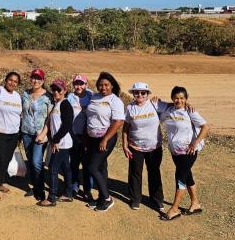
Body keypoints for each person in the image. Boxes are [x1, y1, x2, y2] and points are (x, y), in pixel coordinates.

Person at [158, 86, 210, 221]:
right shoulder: (168, 109)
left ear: (186, 99)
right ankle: (195, 204)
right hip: (175, 152)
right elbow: (152, 103)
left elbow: (206, 127)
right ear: (172, 98)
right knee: (187, 177)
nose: (179, 100)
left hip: (189, 152)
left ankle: (174, 209)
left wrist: (195, 143)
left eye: (182, 98)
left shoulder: (190, 111)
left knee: (180, 176)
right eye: (176, 98)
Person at [84, 72, 125, 212]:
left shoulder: (115, 101)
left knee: (92, 167)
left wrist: (105, 139)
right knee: (101, 167)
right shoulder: (94, 96)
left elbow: (118, 121)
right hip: (91, 138)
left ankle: (107, 199)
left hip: (106, 138)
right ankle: (101, 197)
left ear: (112, 85)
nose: (103, 87)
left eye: (106, 85)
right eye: (100, 85)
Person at [122, 82, 165, 211]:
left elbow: (175, 106)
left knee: (154, 172)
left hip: (154, 147)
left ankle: (157, 200)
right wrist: (124, 145)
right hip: (135, 147)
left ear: (147, 94)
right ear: (133, 94)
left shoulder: (155, 104)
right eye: (136, 92)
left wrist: (187, 104)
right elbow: (125, 128)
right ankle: (135, 199)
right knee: (135, 173)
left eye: (143, 92)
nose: (139, 95)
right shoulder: (129, 108)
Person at [35, 78, 74, 207]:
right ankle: (68, 192)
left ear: (65, 90)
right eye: (54, 89)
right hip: (60, 142)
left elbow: (67, 125)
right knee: (66, 168)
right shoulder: (57, 104)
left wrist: (56, 140)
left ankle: (51, 197)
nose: (56, 92)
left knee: (52, 168)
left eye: (59, 89)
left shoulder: (65, 104)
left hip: (62, 143)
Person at [0, 71, 23, 202]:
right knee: (1, 160)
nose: (12, 83)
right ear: (6, 80)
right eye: (10, 80)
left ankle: (0, 182)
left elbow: (19, 114)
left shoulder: (17, 96)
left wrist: (19, 134)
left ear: (18, 84)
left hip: (13, 134)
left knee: (6, 160)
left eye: (15, 82)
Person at [20, 68, 52, 201]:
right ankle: (34, 186)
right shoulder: (25, 94)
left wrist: (44, 133)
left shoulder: (48, 96)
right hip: (26, 132)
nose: (35, 81)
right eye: (33, 78)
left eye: (38, 79)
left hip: (40, 134)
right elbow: (21, 112)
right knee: (31, 161)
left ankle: (40, 190)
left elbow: (50, 117)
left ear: (43, 81)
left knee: (36, 162)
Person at [67, 74, 93, 199]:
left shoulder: (91, 96)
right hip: (73, 135)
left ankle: (88, 189)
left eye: (81, 83)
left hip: (88, 136)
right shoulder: (70, 97)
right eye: (76, 83)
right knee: (74, 162)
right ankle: (74, 186)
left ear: (86, 84)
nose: (78, 86)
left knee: (87, 164)